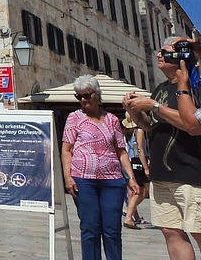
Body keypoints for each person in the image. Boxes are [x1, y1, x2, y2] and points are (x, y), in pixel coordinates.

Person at [124, 37, 201, 260]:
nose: (158, 55)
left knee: (197, 231)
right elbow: (151, 126)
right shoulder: (160, 88)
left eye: (164, 52)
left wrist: (154, 106)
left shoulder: (196, 87)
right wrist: (134, 110)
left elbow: (193, 125)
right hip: (162, 175)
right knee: (171, 232)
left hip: (191, 173)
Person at [62, 74, 139, 260]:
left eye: (86, 95)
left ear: (97, 94)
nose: (82, 100)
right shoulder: (74, 118)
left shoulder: (112, 119)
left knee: (112, 229)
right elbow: (66, 150)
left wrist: (131, 178)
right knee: (90, 228)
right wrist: (68, 177)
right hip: (83, 179)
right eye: (78, 96)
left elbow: (121, 151)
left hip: (112, 180)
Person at [123, 116, 149, 229]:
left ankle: (130, 214)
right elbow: (139, 149)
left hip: (131, 161)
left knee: (133, 191)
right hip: (138, 161)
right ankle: (129, 215)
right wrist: (146, 167)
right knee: (142, 191)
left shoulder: (128, 132)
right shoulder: (139, 130)